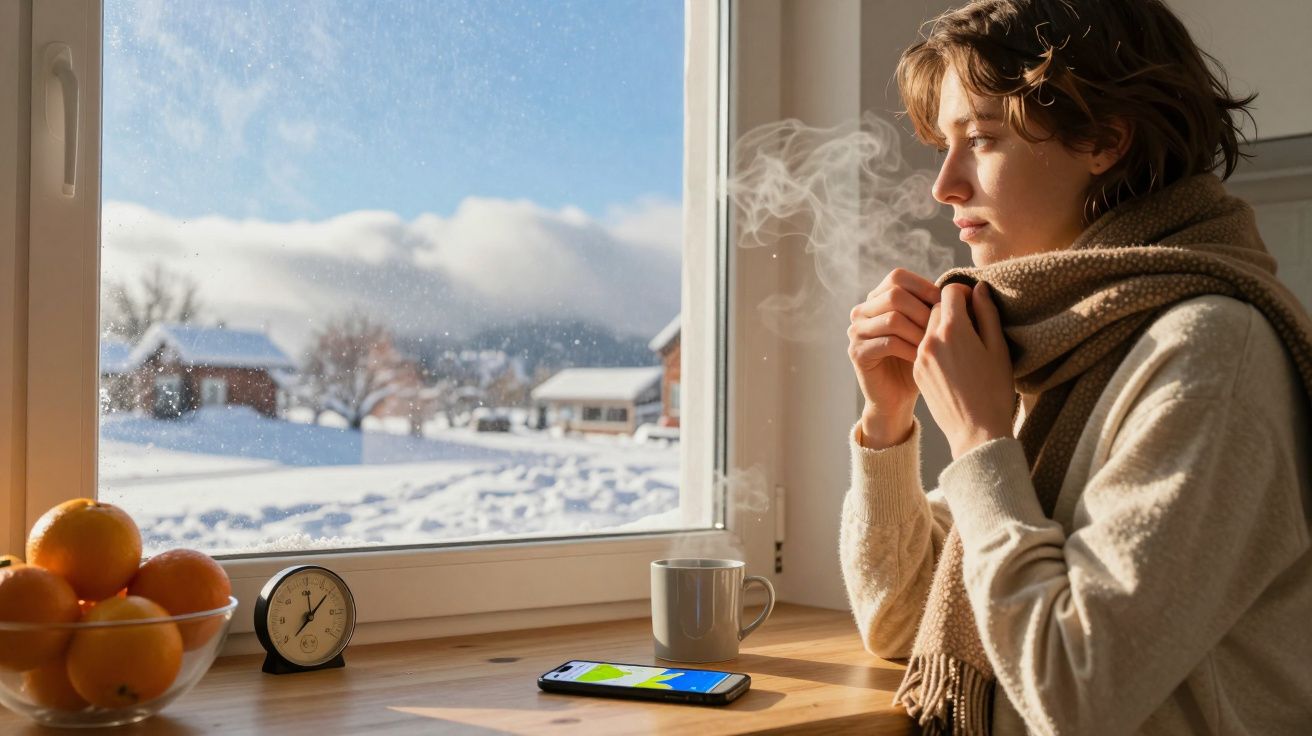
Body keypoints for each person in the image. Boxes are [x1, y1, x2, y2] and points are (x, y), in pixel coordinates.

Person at [840, 1, 1312, 734]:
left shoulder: (1209, 353)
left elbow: (1079, 697)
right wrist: (888, 418)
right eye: (944, 146)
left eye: (981, 139)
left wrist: (979, 442)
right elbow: (904, 622)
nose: (946, 186)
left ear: (1102, 138)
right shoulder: (1062, 340)